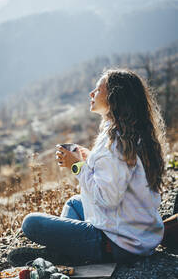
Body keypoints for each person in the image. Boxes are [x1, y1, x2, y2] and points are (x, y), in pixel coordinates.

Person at [9, 69, 166, 266]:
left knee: (31, 223)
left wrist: (77, 166)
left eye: (98, 90)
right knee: (75, 203)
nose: (91, 93)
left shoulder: (116, 143)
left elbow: (107, 199)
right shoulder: (133, 135)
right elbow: (119, 173)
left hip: (119, 244)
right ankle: (61, 254)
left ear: (114, 98)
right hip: (135, 234)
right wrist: (90, 158)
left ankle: (61, 255)